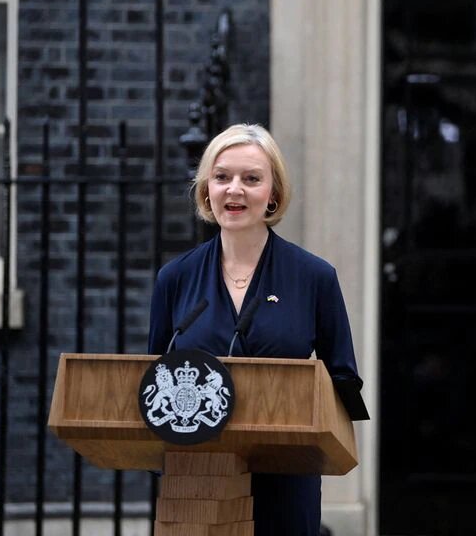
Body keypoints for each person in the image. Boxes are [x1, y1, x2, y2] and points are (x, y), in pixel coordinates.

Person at [148, 123, 361, 536]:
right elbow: (156, 375)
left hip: (287, 474)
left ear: (273, 193)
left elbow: (343, 377)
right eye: (222, 176)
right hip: (197, 476)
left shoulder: (314, 277)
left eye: (251, 179)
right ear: (206, 188)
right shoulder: (175, 279)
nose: (234, 190)